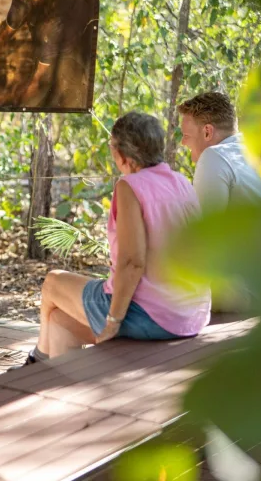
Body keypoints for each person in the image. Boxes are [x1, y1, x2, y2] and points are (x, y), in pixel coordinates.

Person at [17, 112, 211, 366]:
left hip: (152, 315)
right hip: (191, 314)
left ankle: (35, 360)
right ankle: (65, 393)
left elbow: (132, 262)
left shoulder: (130, 186)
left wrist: (113, 322)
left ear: (121, 154)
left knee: (53, 281)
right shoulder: (181, 181)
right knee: (59, 322)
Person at [178, 91, 261, 213]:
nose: (183, 142)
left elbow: (207, 228)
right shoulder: (259, 151)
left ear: (207, 132)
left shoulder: (214, 156)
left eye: (186, 135)